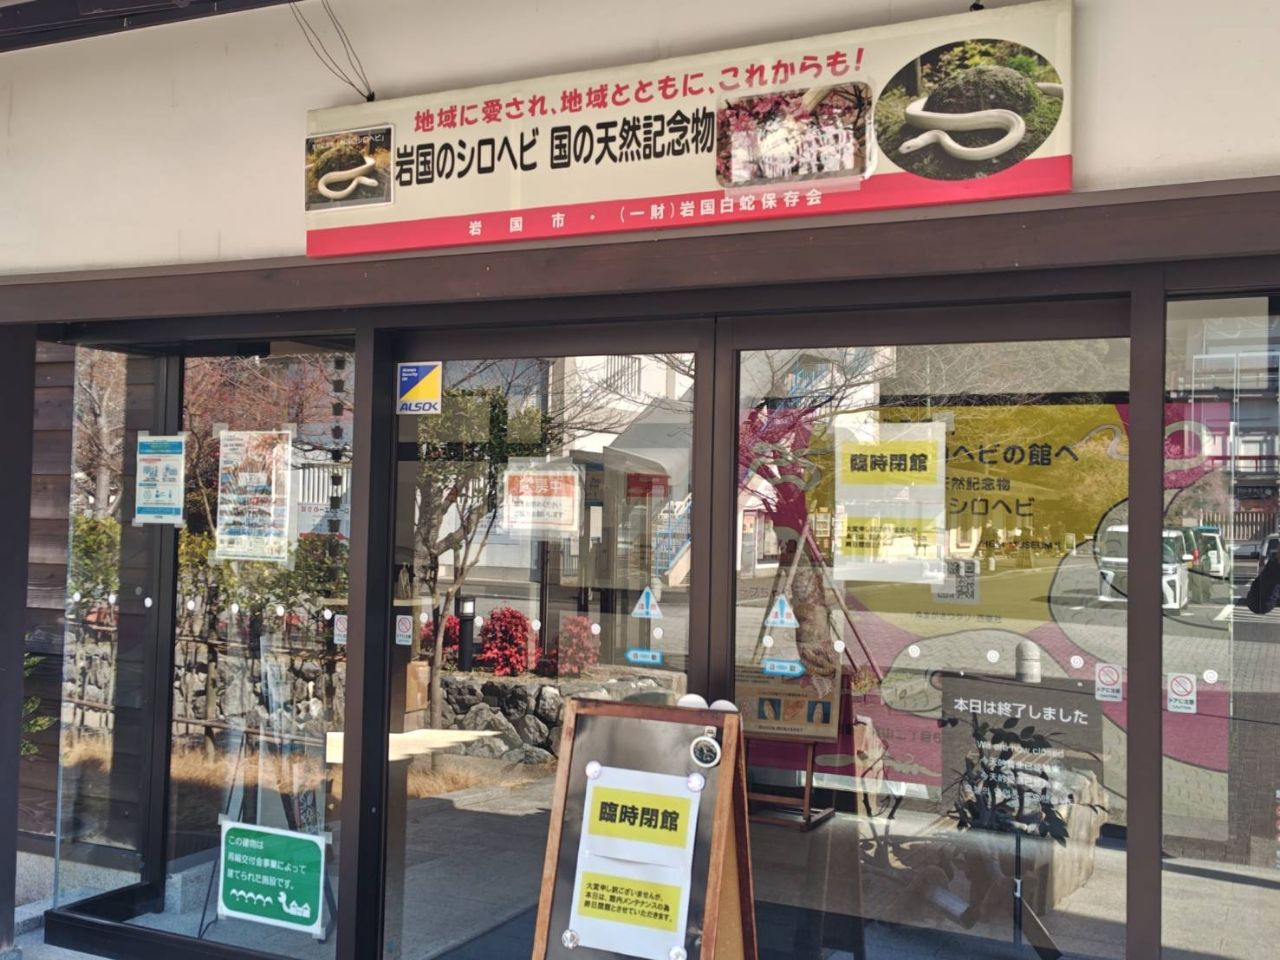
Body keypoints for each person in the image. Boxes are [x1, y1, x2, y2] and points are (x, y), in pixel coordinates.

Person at [1245, 549, 1280, 614]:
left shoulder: (1271, 565)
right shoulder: (1272, 566)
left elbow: (1256, 583)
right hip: (1262, 605)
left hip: (1256, 603)